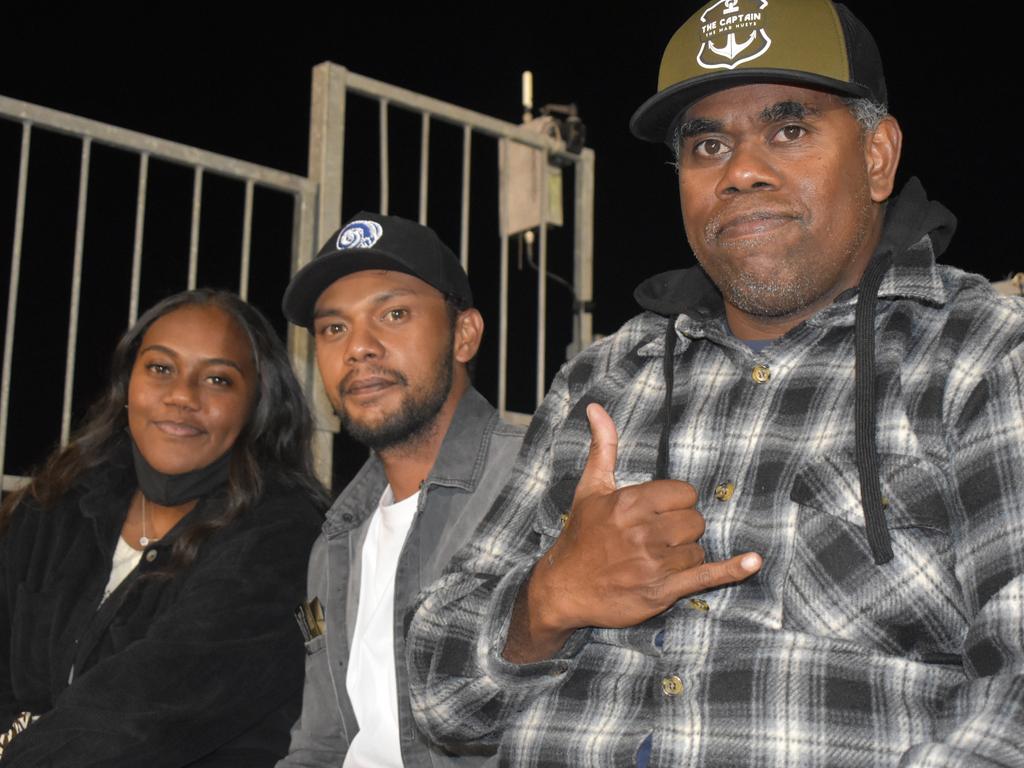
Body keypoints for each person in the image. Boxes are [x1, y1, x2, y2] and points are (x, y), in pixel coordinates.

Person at [405, 1, 1024, 765]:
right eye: (707, 145)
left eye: (789, 130)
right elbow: (438, 699)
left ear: (877, 156)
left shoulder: (982, 355)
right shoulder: (601, 380)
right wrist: (546, 602)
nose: (741, 172)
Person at [0, 289, 327, 766]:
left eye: (218, 379)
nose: (181, 396)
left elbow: (142, 716)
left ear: (258, 403)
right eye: (160, 368)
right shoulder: (56, 503)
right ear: (127, 384)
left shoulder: (283, 538)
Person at [277, 212, 524, 767]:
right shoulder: (336, 540)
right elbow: (321, 742)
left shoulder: (539, 479)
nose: (358, 347)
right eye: (333, 328)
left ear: (464, 334)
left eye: (393, 314)